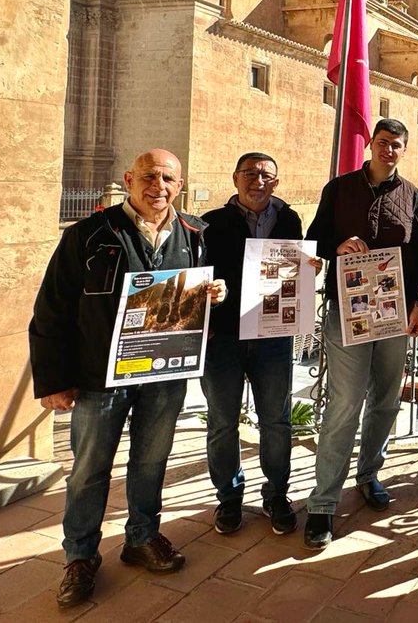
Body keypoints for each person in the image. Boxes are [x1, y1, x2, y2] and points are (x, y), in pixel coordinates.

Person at [29, 149, 228, 609]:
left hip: (164, 374)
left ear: (180, 185)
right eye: (149, 176)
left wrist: (215, 294)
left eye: (168, 179)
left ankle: (141, 536)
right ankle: (79, 556)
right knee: (88, 471)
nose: (158, 186)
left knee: (151, 460)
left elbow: (203, 292)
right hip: (101, 377)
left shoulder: (195, 235)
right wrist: (53, 381)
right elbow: (52, 308)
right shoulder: (90, 234)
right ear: (129, 180)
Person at [303, 119, 418, 550]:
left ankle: (368, 474)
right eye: (383, 143)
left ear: (404, 150)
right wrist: (337, 246)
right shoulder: (339, 189)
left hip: (396, 315)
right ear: (371, 144)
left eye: (396, 146)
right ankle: (323, 503)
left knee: (384, 399)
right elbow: (314, 239)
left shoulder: (412, 196)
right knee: (344, 402)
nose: (389, 151)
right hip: (349, 312)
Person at [201, 152, 311, 537]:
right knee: (222, 422)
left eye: (266, 175)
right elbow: (200, 278)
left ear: (276, 183)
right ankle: (229, 498)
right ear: (235, 178)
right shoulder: (210, 224)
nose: (258, 180)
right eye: (250, 173)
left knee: (276, 421)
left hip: (273, 338)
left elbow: (296, 271)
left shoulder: (290, 219)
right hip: (224, 339)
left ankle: (276, 494)